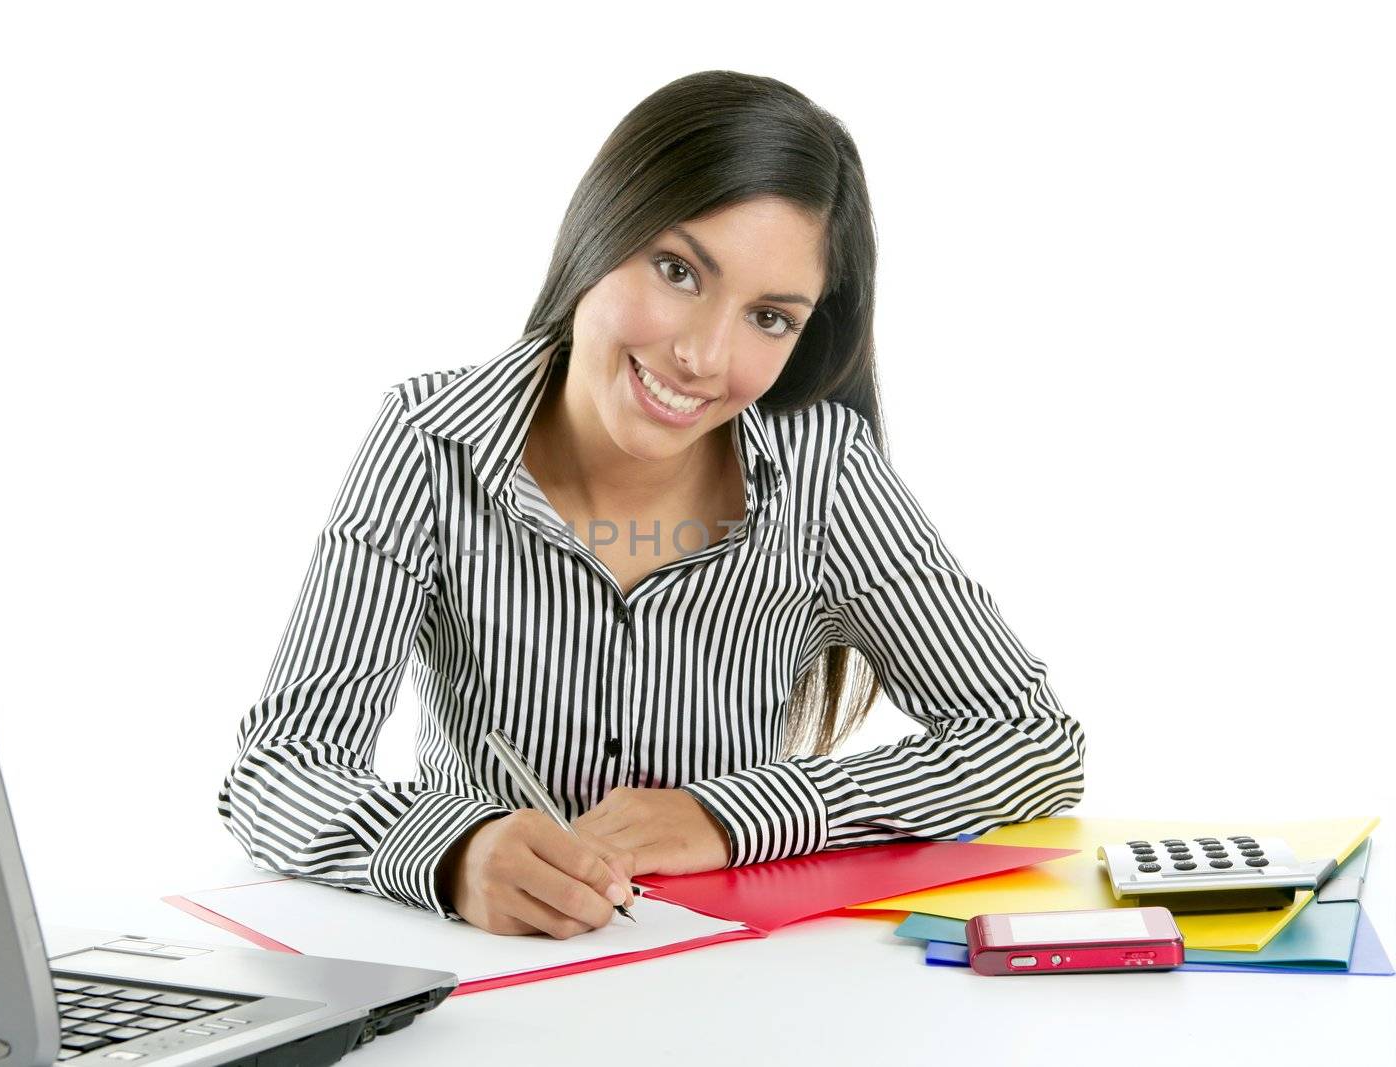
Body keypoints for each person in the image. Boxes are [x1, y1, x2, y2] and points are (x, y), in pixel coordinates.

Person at [216, 69, 1086, 941]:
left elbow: (1030, 740)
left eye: (770, 318)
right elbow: (278, 771)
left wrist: (729, 815)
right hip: (486, 980)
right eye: (678, 270)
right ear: (601, 230)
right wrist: (455, 850)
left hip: (727, 984)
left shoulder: (822, 469)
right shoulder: (431, 441)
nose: (704, 356)